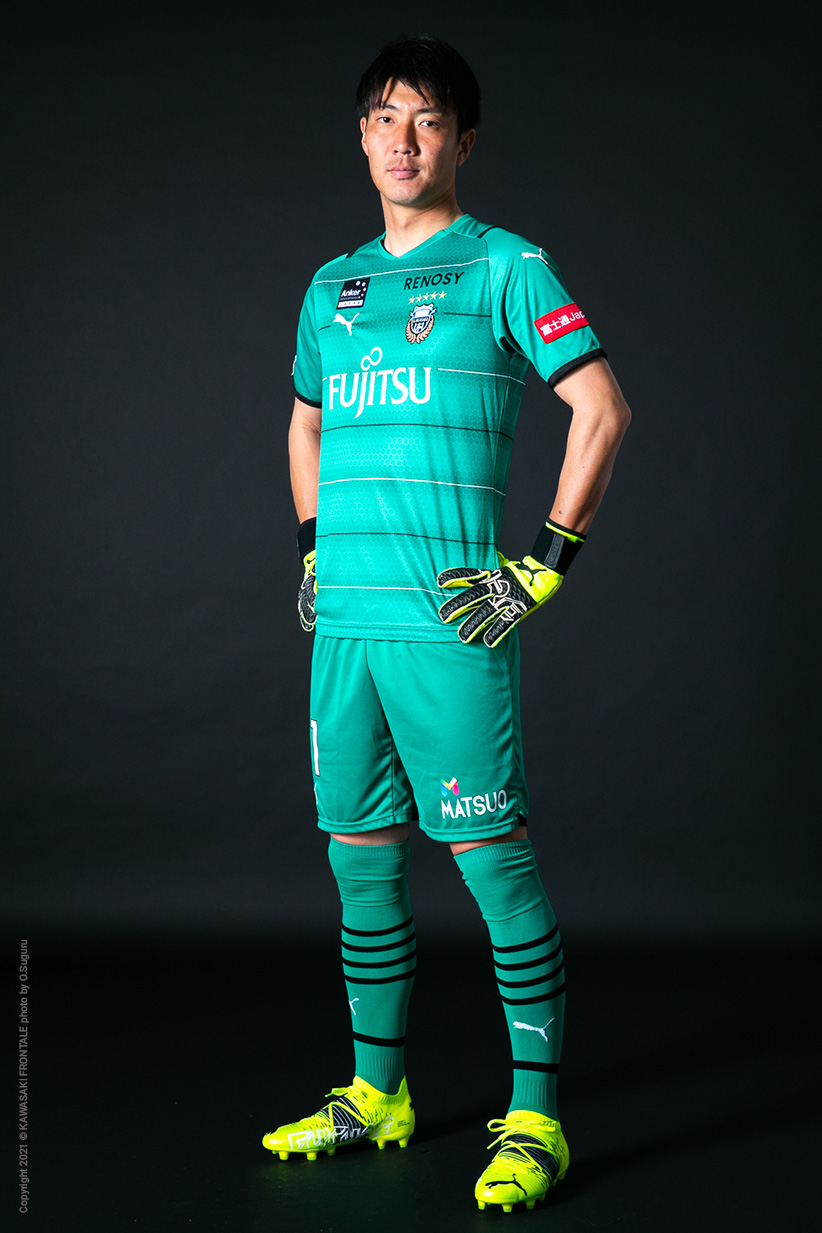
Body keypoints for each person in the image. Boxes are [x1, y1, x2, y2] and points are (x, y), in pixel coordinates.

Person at [262, 34, 631, 1214]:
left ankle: (537, 1121)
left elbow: (602, 408)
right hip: (344, 635)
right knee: (360, 866)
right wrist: (312, 549)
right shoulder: (332, 287)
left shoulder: (507, 267)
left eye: (427, 120)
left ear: (463, 141)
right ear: (362, 137)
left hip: (449, 631)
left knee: (494, 870)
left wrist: (544, 568)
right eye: (385, 117)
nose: (404, 140)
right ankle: (378, 1096)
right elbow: (304, 422)